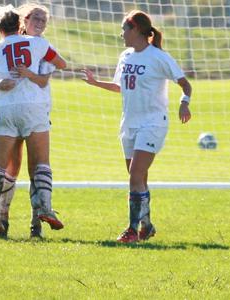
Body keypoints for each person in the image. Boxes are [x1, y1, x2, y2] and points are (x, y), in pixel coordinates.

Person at [81, 10, 192, 243]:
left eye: (124, 29)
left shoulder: (158, 57)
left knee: (135, 175)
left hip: (152, 124)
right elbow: (119, 87)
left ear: (137, 30)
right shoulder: (125, 56)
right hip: (129, 124)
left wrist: (184, 104)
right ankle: (147, 225)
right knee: (139, 178)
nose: (121, 34)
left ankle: (131, 230)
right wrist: (94, 83)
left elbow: (185, 84)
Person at [0, 5, 66, 239]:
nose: (41, 22)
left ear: (0, 28)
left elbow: (2, 78)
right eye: (37, 18)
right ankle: (41, 210)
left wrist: (9, 81)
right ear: (23, 21)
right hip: (33, 108)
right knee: (36, 164)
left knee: (3, 165)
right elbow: (59, 64)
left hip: (6, 107)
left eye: (45, 19)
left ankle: (0, 214)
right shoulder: (40, 45)